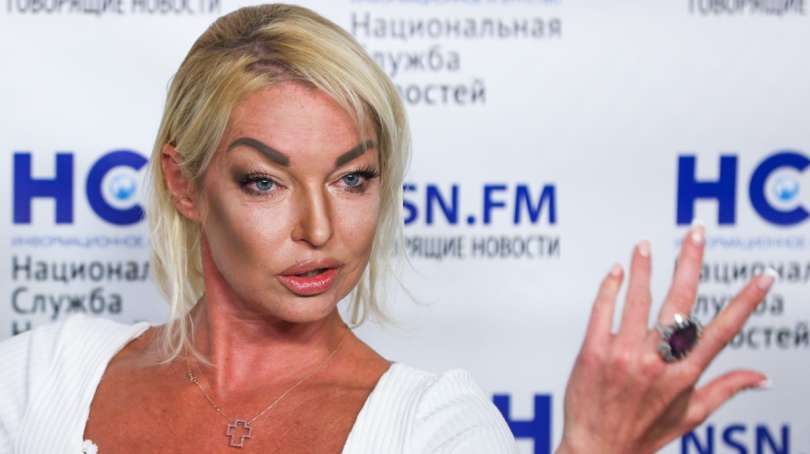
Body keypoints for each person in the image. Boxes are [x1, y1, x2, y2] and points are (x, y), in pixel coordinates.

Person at [0, 3, 775, 453]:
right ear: (184, 184)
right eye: (265, 181)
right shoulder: (44, 374)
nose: (319, 228)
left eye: (353, 179)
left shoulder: (432, 426)